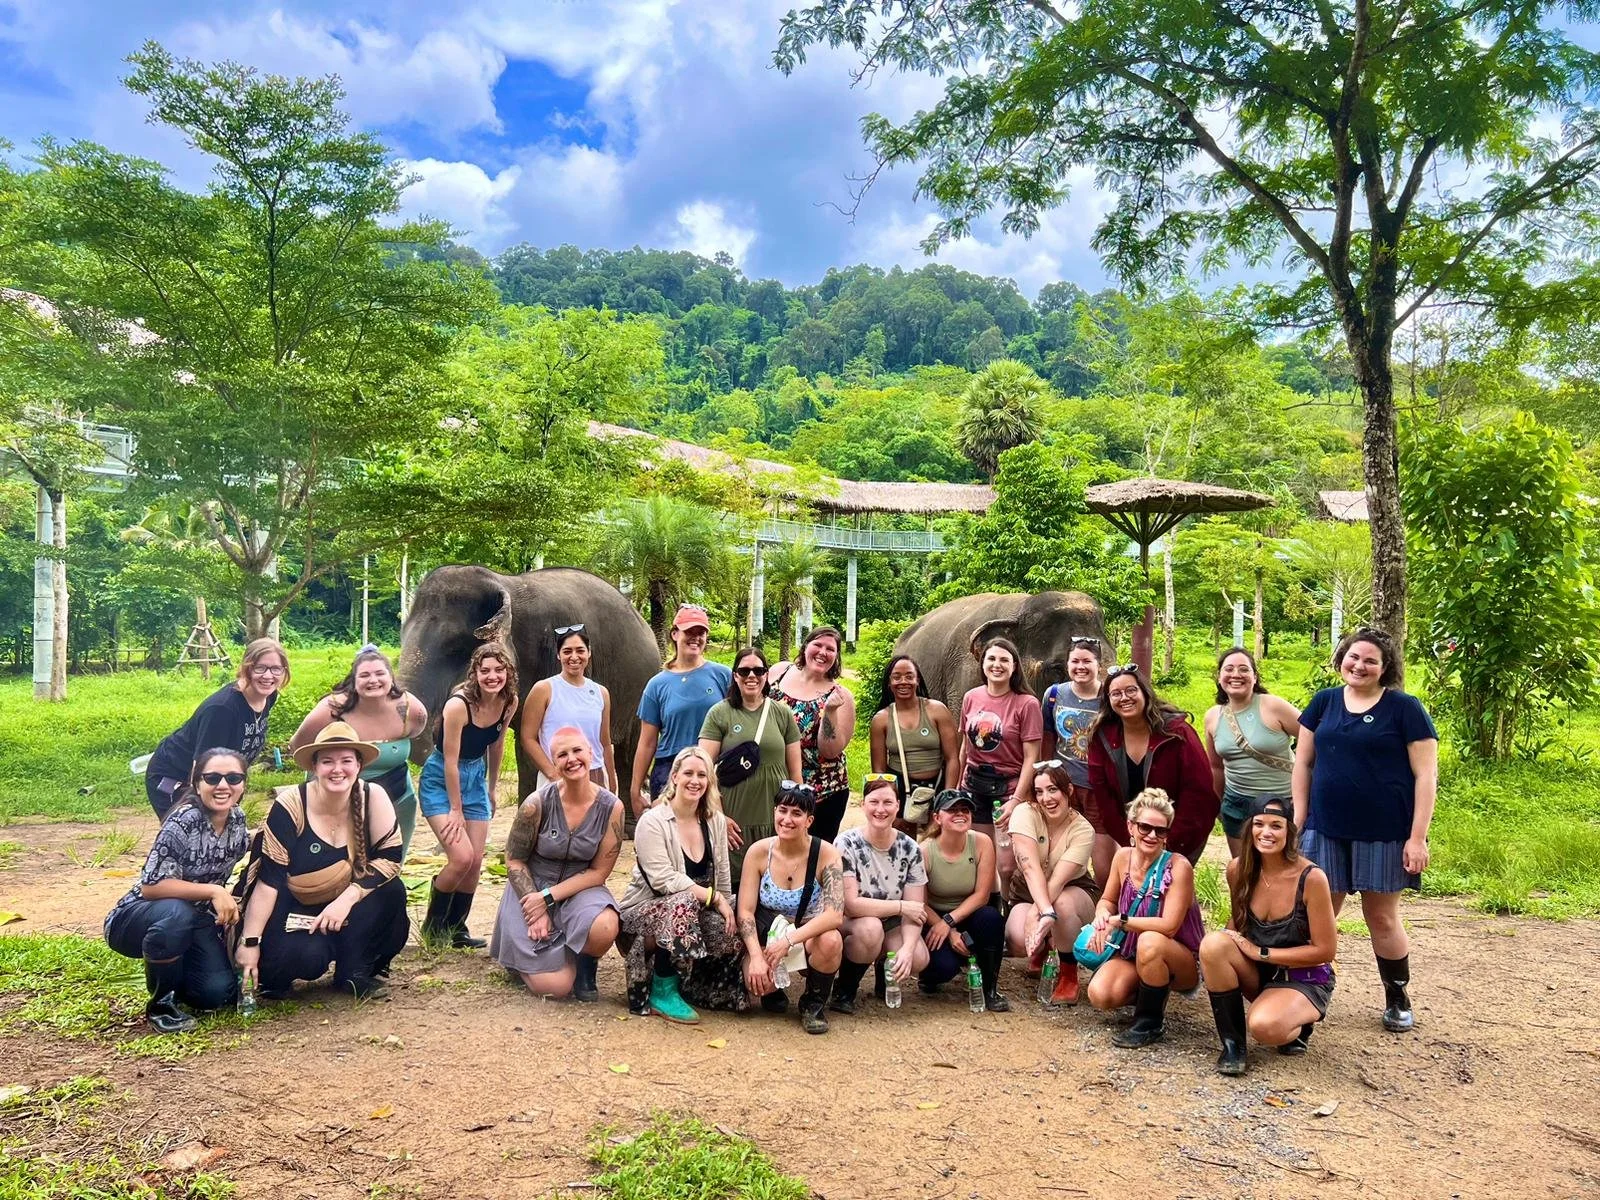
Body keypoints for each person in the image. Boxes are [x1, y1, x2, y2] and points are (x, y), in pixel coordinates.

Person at [1293, 626, 1437, 1033]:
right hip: (1325, 829)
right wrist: (1299, 819)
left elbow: (1425, 775)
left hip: (1386, 831)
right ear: (1341, 659)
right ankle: (1308, 990)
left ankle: (1397, 996)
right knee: (1319, 915)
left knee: (1382, 917)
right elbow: (1303, 763)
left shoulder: (1405, 709)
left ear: (1385, 668)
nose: (1360, 665)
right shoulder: (1323, 703)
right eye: (1354, 657)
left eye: (1371, 660)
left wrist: (1416, 836)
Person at [234, 723, 409, 1000]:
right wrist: (250, 942)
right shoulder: (291, 805)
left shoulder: (373, 797)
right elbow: (269, 881)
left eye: (346, 761)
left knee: (392, 892)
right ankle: (285, 963)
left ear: (359, 765)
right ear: (314, 767)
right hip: (291, 904)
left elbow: (390, 858)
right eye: (327, 761)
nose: (337, 769)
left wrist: (346, 899)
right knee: (304, 958)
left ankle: (354, 971)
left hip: (343, 902)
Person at [105, 748, 251, 1032]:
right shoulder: (183, 820)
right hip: (138, 916)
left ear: (244, 783)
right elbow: (152, 886)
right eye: (213, 778)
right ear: (197, 783)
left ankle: (176, 974)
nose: (223, 785)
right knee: (176, 914)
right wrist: (214, 891)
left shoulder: (237, 820)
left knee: (216, 994)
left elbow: (251, 845)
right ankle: (161, 1005)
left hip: (194, 919)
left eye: (233, 777)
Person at [1200, 797, 1338, 1074]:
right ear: (1249, 828)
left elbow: (1325, 951)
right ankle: (1232, 1046)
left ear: (1289, 832)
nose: (1266, 833)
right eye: (1259, 824)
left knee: (1265, 1027)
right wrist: (1214, 961)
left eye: (1276, 825)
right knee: (1213, 945)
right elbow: (1238, 924)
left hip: (1302, 976)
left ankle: (1299, 1023)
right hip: (1259, 973)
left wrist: (1262, 953)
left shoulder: (1312, 878)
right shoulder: (1238, 869)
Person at [491, 727, 624, 1001]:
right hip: (532, 882)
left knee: (607, 924)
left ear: (591, 753)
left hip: (580, 886)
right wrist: (535, 905)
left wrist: (548, 898)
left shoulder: (612, 808)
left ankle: (585, 962)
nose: (571, 759)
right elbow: (515, 859)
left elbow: (599, 872)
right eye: (562, 754)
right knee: (556, 988)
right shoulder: (536, 804)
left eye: (577, 750)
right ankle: (525, 961)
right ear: (554, 762)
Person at [617, 746, 745, 1022]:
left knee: (740, 913)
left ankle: (703, 986)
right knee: (682, 898)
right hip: (642, 915)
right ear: (674, 776)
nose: (695, 780)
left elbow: (722, 875)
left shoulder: (715, 821)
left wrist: (726, 904)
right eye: (688, 773)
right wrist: (714, 898)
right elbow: (664, 880)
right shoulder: (653, 821)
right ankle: (663, 988)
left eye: (702, 775)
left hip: (692, 913)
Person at [1084, 788, 1205, 1048]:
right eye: (1145, 827)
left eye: (1160, 830)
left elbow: (1169, 926)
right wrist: (1103, 917)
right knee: (1100, 994)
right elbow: (1106, 900)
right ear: (1130, 826)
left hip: (1177, 957)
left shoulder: (1178, 866)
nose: (1151, 835)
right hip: (1131, 953)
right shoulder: (1122, 858)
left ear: (1166, 835)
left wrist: (1120, 921)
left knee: (1151, 941)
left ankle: (1149, 1022)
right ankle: (1152, 989)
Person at [418, 642, 518, 949]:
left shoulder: (509, 701)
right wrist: (456, 809)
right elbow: (450, 760)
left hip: (476, 776)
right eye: (485, 670)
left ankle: (456, 927)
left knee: (475, 860)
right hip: (442, 778)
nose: (492, 676)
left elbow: (497, 745)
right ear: (474, 673)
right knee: (460, 858)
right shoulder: (458, 705)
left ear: (507, 673)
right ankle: (433, 928)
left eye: (499, 670)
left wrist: (491, 787)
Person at [289, 646, 429, 863]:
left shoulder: (410, 708)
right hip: (337, 799)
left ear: (391, 677)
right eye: (365, 675)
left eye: (380, 673)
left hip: (398, 795)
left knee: (389, 864)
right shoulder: (332, 709)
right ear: (354, 681)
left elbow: (417, 731)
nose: (373, 680)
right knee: (339, 866)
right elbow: (298, 746)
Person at [736, 781, 845, 1034]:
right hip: (768, 932)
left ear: (809, 820)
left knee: (831, 940)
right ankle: (774, 992)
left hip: (806, 932)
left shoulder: (826, 854)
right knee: (759, 983)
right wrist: (754, 956)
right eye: (782, 810)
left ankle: (813, 1003)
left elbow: (834, 914)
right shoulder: (759, 852)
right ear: (774, 812)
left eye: (797, 813)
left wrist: (790, 940)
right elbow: (745, 911)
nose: (787, 819)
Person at [1086, 666, 1219, 864]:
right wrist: (1132, 840)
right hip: (1133, 837)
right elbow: (1104, 798)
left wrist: (1168, 843)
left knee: (1172, 886)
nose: (1124, 697)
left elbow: (1200, 793)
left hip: (1181, 835)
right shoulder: (1102, 737)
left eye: (1131, 690)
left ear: (1144, 692)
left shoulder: (1177, 733)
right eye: (1116, 693)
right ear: (1108, 700)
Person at [145, 638, 289, 818]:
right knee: (192, 833)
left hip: (220, 777)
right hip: (176, 775)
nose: (268, 676)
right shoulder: (223, 709)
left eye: (276, 669)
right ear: (247, 668)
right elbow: (201, 768)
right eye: (260, 668)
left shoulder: (268, 696)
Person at [698, 647, 802, 885]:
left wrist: (797, 816)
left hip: (775, 818)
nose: (751, 676)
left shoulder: (782, 713)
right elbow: (703, 770)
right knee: (735, 884)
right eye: (744, 671)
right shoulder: (720, 713)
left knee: (774, 883)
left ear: (767, 675)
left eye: (758, 670)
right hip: (734, 820)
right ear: (735, 675)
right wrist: (718, 816)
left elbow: (795, 773)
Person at [831, 781, 929, 1014]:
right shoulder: (846, 844)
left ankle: (884, 969)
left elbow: (915, 910)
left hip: (893, 921)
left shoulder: (911, 848)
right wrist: (901, 906)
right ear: (863, 805)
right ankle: (845, 987)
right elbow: (852, 905)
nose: (880, 809)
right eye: (874, 802)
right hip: (853, 921)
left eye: (887, 802)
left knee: (917, 958)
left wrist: (907, 948)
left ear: (898, 806)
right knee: (870, 930)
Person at [1005, 762, 1097, 1006]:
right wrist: (1039, 913)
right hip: (1027, 890)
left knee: (1062, 904)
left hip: (1072, 890)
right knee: (1016, 935)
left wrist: (1039, 914)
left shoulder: (1083, 829)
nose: (1046, 798)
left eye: (1053, 789)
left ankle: (1068, 974)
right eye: (1039, 791)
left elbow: (1057, 881)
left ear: (1068, 790)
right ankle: (1045, 948)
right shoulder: (1025, 813)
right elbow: (1030, 867)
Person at [957, 637, 1043, 898]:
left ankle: (1009, 909)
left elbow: (1032, 757)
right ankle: (987, 911)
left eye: (1004, 659)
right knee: (979, 858)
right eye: (991, 659)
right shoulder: (971, 697)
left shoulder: (1027, 704)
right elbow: (964, 747)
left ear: (1015, 666)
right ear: (982, 664)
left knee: (1006, 865)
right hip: (973, 786)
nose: (997, 665)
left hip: (1009, 788)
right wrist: (957, 788)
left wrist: (1017, 799)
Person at [631, 605, 732, 817]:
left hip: (712, 767)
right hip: (670, 768)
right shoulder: (657, 685)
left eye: (701, 632)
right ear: (675, 634)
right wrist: (635, 788)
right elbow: (647, 741)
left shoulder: (723, 676)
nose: (695, 638)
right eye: (689, 632)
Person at [1203, 648, 1301, 858]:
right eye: (1229, 669)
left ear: (1254, 677)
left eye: (1244, 669)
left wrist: (1305, 795)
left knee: (1285, 872)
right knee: (1243, 872)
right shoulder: (1212, 717)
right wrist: (1218, 805)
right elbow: (1215, 766)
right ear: (1219, 677)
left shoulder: (1273, 706)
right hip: (1237, 804)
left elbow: (1314, 738)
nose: (1236, 675)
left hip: (1282, 803)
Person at [918, 789, 1009, 1012]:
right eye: (952, 810)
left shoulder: (982, 842)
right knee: (943, 968)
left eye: (965, 809)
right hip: (933, 917)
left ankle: (990, 988)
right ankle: (931, 974)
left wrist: (949, 922)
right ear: (937, 818)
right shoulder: (924, 851)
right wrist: (947, 930)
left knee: (991, 918)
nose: (960, 814)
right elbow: (919, 902)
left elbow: (982, 895)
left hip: (968, 912)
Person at [767, 626, 856, 842]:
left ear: (836, 657)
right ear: (806, 646)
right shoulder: (779, 672)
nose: (823, 652)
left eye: (830, 649)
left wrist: (831, 712)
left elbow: (831, 750)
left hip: (823, 792)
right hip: (774, 781)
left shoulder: (840, 696)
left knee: (812, 856)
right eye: (817, 644)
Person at [1041, 636, 1114, 881]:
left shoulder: (1110, 697)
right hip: (1063, 786)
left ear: (1098, 665)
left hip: (1098, 787)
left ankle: (1106, 903)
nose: (1080, 667)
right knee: (1063, 849)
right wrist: (1045, 775)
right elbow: (1048, 737)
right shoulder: (1054, 695)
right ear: (1067, 664)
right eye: (1075, 661)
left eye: (1087, 661)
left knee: (1102, 856)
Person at [868, 654, 959, 833]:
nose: (903, 682)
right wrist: (890, 805)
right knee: (904, 847)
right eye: (897, 677)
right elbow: (879, 770)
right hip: (900, 790)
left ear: (918, 680)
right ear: (889, 683)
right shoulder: (881, 720)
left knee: (935, 844)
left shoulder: (937, 710)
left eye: (909, 676)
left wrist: (947, 799)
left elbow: (952, 758)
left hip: (937, 787)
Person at [520, 624, 617, 791]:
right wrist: (553, 775)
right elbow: (528, 738)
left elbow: (605, 742)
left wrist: (612, 781)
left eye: (580, 650)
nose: (574, 657)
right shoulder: (544, 689)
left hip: (595, 776)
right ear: (558, 655)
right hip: (558, 775)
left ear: (589, 653)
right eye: (567, 651)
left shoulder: (601, 693)